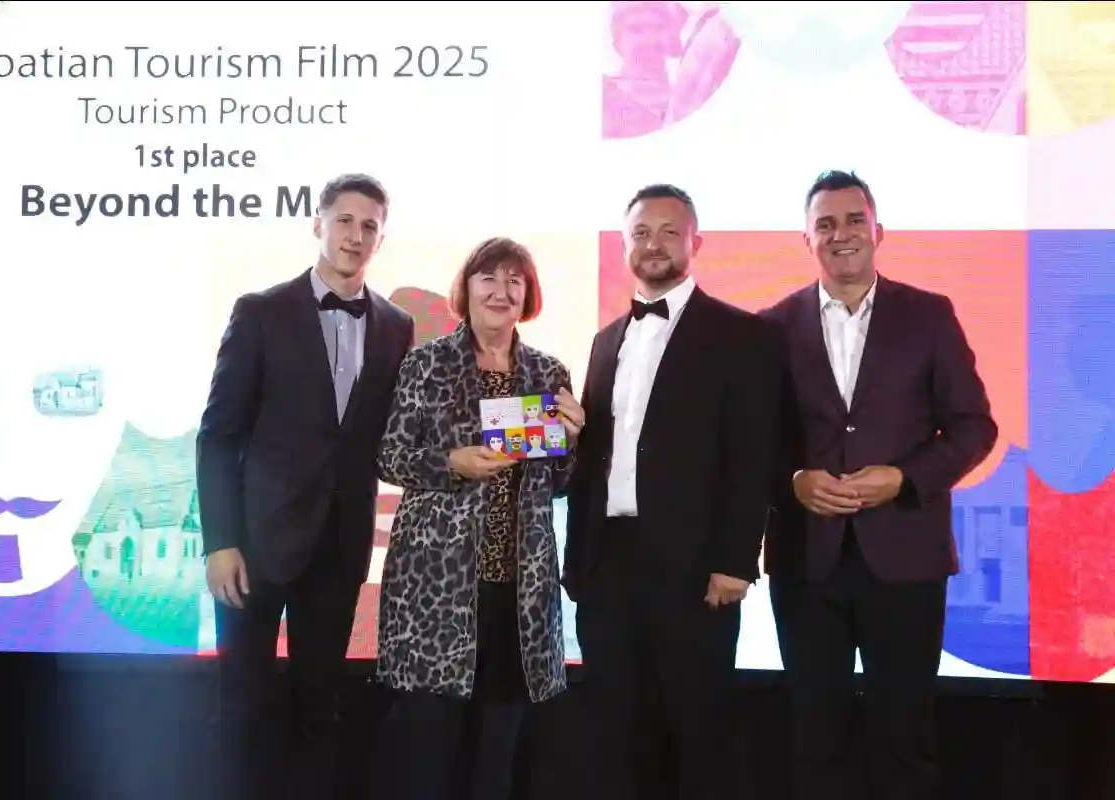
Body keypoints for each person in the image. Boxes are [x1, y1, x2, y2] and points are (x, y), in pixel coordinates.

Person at [762, 170, 998, 800]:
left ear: (878, 230)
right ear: (806, 238)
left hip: (906, 558)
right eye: (825, 224)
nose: (840, 234)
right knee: (817, 739)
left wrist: (904, 478)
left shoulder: (929, 315)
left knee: (905, 739)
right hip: (805, 563)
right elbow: (750, 441)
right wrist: (792, 481)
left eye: (853, 220)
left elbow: (974, 427)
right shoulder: (771, 326)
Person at [196, 173, 415, 800]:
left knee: (321, 707)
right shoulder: (260, 311)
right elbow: (219, 435)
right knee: (244, 703)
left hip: (339, 549)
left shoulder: (397, 325)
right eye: (344, 220)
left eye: (369, 226)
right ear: (318, 224)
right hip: (255, 546)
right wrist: (220, 542)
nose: (355, 235)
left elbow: (395, 432)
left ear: (381, 238)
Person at [564, 184, 783, 799]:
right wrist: (577, 565)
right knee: (615, 733)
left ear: (695, 242)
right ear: (625, 245)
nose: (653, 244)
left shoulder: (743, 335)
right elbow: (596, 459)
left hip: (695, 570)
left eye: (668, 232)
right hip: (606, 566)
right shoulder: (606, 340)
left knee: (698, 733)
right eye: (641, 233)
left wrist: (735, 560)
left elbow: (753, 455)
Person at [370, 236, 585, 800]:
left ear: (527, 296)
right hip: (435, 593)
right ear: (466, 289)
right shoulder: (426, 363)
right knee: (428, 752)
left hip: (519, 593)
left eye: (514, 280)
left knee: (497, 755)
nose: (501, 290)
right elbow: (389, 457)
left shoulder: (548, 373)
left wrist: (570, 442)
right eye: (488, 277)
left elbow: (560, 482)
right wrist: (451, 463)